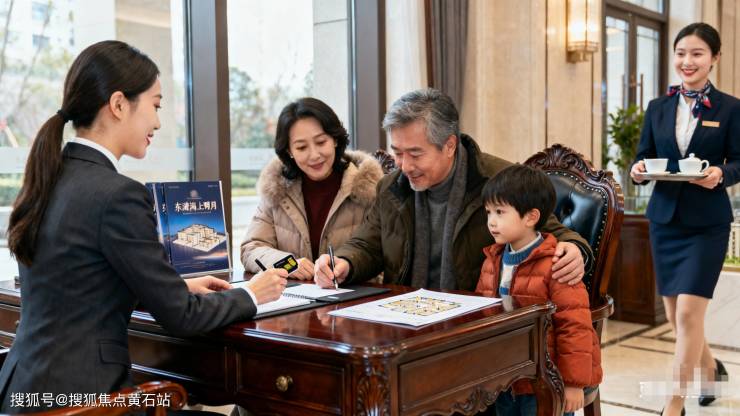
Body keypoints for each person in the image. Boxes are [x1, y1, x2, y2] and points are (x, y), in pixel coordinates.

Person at [0, 40, 287, 413]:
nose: (158, 122)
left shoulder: (48, 177)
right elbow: (182, 316)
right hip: (88, 401)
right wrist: (252, 293)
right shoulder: (118, 195)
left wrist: (174, 287)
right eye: (156, 105)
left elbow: (76, 283)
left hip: (25, 390)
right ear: (119, 105)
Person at [314, 88, 592, 291]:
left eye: (415, 154)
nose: (404, 166)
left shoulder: (499, 182)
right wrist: (344, 262)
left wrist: (576, 250)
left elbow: (553, 233)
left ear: (449, 146)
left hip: (477, 322)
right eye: (397, 153)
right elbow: (367, 245)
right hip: (403, 317)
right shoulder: (391, 186)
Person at [630, 23, 737, 416]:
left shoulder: (731, 108)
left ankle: (674, 406)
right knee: (679, 319)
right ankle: (712, 371)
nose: (687, 61)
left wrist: (721, 173)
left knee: (690, 314)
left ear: (714, 58)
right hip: (665, 222)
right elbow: (642, 156)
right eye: (680, 53)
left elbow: (739, 161)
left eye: (696, 53)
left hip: (707, 224)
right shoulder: (658, 107)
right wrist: (638, 170)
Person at [475, 165, 602, 416]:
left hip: (546, 381)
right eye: (488, 212)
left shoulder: (557, 264)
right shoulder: (491, 261)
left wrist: (574, 384)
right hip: (505, 379)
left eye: (500, 212)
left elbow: (575, 326)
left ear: (531, 217)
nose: (491, 221)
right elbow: (482, 315)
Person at [240, 97, 383, 279]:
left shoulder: (369, 189)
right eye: (301, 147)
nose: (314, 155)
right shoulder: (276, 189)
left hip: (356, 293)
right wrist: (289, 265)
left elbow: (381, 255)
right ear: (289, 152)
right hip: (293, 294)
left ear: (335, 140)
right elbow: (251, 249)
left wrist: (345, 268)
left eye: (321, 142)